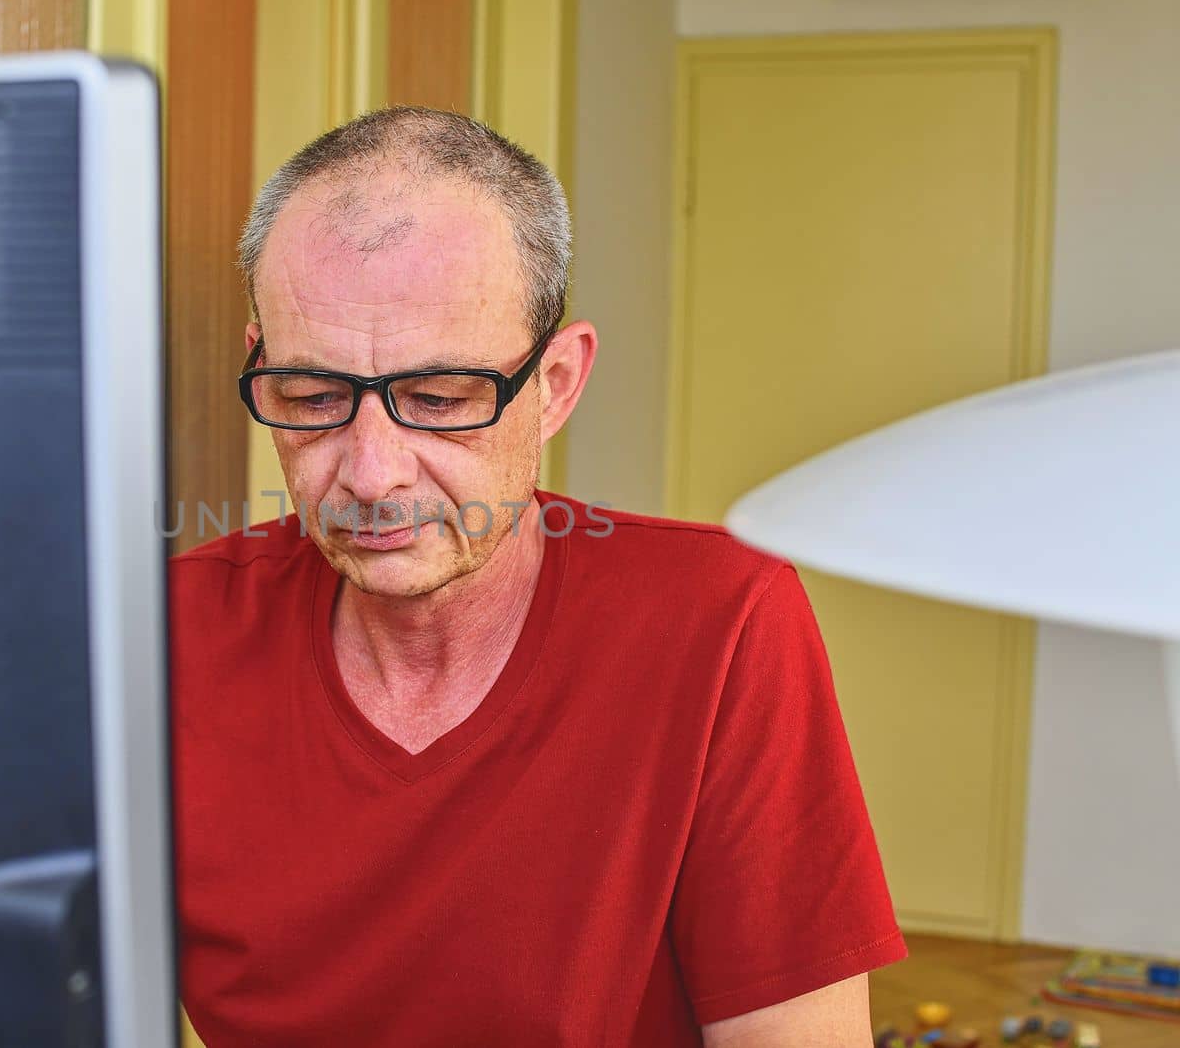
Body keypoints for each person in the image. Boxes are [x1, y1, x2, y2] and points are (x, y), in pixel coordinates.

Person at [169, 106, 906, 1047]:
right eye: (311, 398)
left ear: (556, 384)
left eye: (439, 399)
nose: (370, 473)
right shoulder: (169, 634)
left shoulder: (718, 619)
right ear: (258, 369)